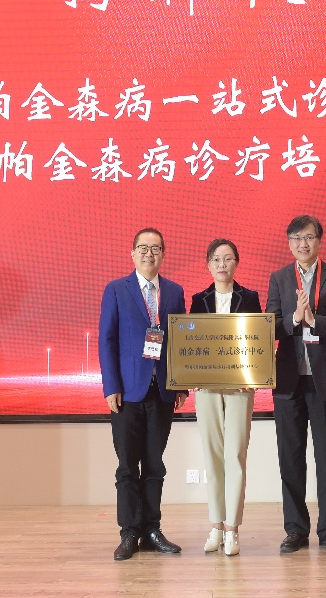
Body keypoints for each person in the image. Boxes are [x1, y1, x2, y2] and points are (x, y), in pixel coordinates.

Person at [266, 214, 326, 554]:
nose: (303, 244)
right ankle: (295, 530)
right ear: (289, 243)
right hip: (289, 382)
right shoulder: (279, 279)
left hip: (324, 381)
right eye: (296, 238)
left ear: (319, 241)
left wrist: (315, 320)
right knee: (290, 458)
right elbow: (271, 325)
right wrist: (294, 318)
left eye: (309, 237)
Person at [99, 227, 188, 561]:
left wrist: (180, 384)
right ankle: (129, 532)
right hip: (127, 392)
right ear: (132, 253)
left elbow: (181, 341)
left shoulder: (175, 291)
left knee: (154, 464)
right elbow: (107, 340)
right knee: (127, 466)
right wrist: (111, 386)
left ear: (164, 254)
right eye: (143, 248)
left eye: (156, 248)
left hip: (161, 390)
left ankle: (152, 530)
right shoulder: (116, 289)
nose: (150, 254)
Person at [189, 238, 262, 557]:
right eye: (216, 259)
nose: (222, 264)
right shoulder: (198, 300)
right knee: (212, 455)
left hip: (239, 387)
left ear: (236, 263)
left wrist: (252, 375)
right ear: (208, 264)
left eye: (228, 258)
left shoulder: (250, 298)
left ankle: (232, 528)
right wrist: (191, 376)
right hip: (206, 388)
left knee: (235, 455)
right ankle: (216, 526)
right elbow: (190, 342)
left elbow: (258, 340)